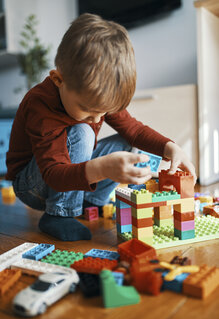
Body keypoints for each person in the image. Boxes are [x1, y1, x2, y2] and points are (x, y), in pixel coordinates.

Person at [6, 13, 196, 241]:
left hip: (64, 174)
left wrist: (170, 148)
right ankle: (59, 214)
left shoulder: (94, 95)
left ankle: (90, 203)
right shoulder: (41, 105)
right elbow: (53, 173)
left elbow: (134, 130)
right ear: (58, 80)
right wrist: (102, 168)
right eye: (88, 109)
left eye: (103, 112)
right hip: (34, 186)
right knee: (82, 132)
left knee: (127, 143)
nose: (97, 120)